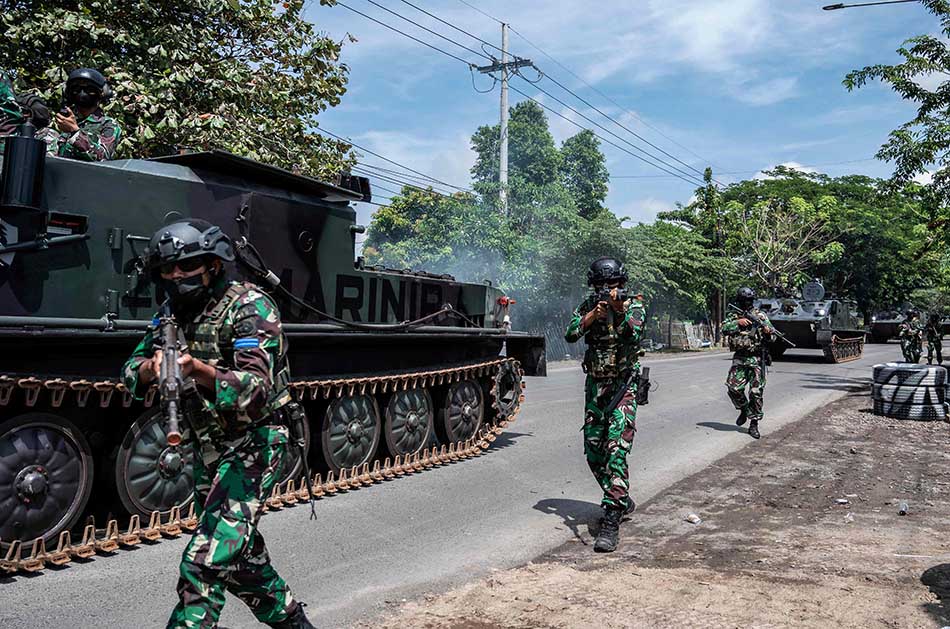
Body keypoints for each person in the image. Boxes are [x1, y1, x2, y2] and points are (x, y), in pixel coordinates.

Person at [121, 219, 315, 629]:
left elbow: (257, 389)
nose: (176, 276)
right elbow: (129, 369)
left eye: (187, 266)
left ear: (212, 264)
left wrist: (199, 370)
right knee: (240, 559)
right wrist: (149, 371)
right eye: (167, 269)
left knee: (205, 562)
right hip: (209, 448)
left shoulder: (249, 307)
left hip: (257, 442)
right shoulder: (168, 317)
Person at [564, 256, 646, 553]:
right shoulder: (588, 306)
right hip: (596, 386)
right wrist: (592, 317)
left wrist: (619, 310)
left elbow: (633, 335)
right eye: (601, 285)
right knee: (593, 451)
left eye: (612, 284)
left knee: (616, 449)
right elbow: (571, 333)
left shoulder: (633, 304)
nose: (607, 289)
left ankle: (611, 518)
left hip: (623, 386)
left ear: (621, 283)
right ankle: (621, 497)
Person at [722, 287, 774, 440]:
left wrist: (767, 332)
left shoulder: (761, 316)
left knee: (756, 392)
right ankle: (744, 409)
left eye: (749, 300)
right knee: (733, 388)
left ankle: (754, 424)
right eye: (744, 300)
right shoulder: (733, 315)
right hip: (740, 357)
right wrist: (738, 322)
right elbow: (724, 329)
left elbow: (773, 336)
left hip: (757, 358)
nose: (746, 303)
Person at [48, 67, 121, 161]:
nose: (82, 93)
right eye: (77, 89)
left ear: (102, 93)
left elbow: (102, 156)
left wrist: (75, 132)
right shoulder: (61, 120)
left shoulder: (109, 125)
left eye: (89, 89)